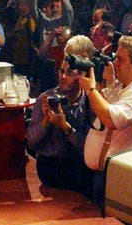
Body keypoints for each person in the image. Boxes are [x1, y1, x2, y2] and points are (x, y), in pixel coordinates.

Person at [78, 36, 132, 204]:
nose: (115, 63)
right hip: (104, 175)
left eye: (120, 60)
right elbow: (99, 108)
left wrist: (91, 90)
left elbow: (112, 120)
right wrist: (103, 80)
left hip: (121, 179)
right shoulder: (122, 85)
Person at [26, 55, 94, 198]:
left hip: (78, 165)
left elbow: (86, 148)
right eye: (60, 71)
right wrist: (46, 121)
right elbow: (31, 143)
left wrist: (65, 127)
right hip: (51, 166)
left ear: (82, 77)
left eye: (69, 73)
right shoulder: (45, 98)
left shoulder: (90, 103)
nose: (62, 76)